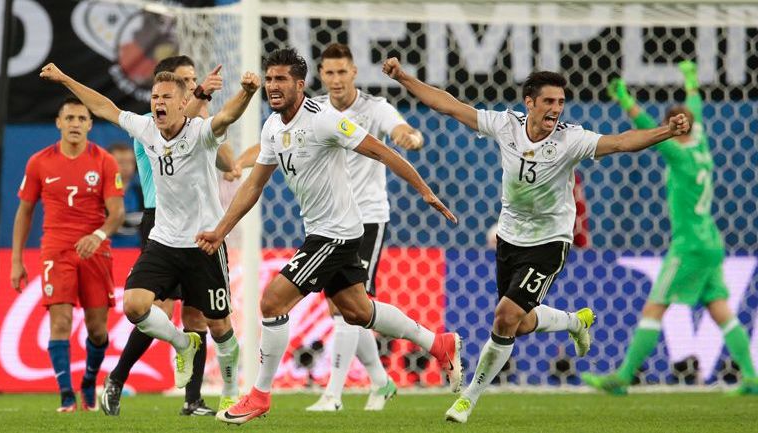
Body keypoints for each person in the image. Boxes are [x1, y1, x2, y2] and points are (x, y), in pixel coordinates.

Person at [382, 57, 691, 423]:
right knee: (520, 323)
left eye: (560, 103)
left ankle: (468, 398)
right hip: (511, 237)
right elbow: (447, 104)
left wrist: (665, 131)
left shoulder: (571, 139)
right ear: (529, 102)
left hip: (550, 240)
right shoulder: (505, 125)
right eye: (548, 102)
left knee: (505, 316)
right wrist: (402, 77)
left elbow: (622, 142)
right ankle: (575, 322)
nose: (555, 110)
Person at [194, 48, 462, 426]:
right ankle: (438, 343)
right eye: (269, 79)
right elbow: (255, 184)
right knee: (358, 311)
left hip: (336, 235)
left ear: (300, 84)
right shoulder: (273, 127)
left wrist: (424, 190)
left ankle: (259, 395)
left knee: (272, 302)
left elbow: (382, 150)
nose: (272, 86)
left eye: (280, 79)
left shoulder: (325, 120)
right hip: (321, 231)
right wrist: (221, 230)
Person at [39, 61, 257, 417]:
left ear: (184, 102)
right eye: (155, 96)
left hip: (204, 242)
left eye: (166, 97)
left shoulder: (200, 131)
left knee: (219, 324)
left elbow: (226, 118)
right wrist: (65, 77)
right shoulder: (146, 129)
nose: (158, 102)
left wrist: (246, 92)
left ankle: (231, 393)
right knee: (135, 306)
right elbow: (102, 106)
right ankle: (182, 343)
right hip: (164, 241)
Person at [581, 61, 758, 396]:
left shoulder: (679, 155)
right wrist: (692, 83)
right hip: (710, 241)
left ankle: (622, 378)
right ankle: (751, 377)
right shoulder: (701, 143)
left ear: (675, 129)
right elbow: (696, 111)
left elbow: (648, 130)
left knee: (654, 307)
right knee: (719, 308)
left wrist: (625, 100)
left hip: (689, 245)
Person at [100, 55, 240, 417]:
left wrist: (207, 112)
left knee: (197, 318)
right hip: (159, 221)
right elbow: (177, 125)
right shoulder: (150, 126)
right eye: (186, 81)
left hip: (198, 232)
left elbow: (227, 161)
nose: (194, 84)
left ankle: (193, 399)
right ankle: (118, 376)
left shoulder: (196, 122)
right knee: (154, 308)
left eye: (194, 79)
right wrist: (199, 98)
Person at [303, 43, 424, 412]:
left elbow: (401, 129)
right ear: (320, 75)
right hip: (328, 219)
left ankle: (333, 395)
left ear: (354, 72)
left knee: (347, 309)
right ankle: (381, 382)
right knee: (346, 308)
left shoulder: (375, 108)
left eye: (342, 72)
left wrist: (409, 137)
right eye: (329, 73)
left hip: (367, 218)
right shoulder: (316, 110)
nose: (336, 79)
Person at [10, 95, 126, 412]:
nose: (75, 124)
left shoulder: (104, 161)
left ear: (90, 125)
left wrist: (98, 234)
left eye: (81, 119)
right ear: (59, 123)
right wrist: (17, 261)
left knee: (98, 329)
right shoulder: (39, 162)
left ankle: (89, 381)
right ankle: (65, 395)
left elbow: (116, 213)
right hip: (56, 249)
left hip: (95, 250)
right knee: (59, 322)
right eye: (69, 118)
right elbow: (24, 212)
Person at [108, 142, 143, 248]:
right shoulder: (99, 193)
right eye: (120, 162)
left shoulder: (140, 192)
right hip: (109, 248)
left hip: (136, 249)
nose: (126, 166)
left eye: (130, 162)